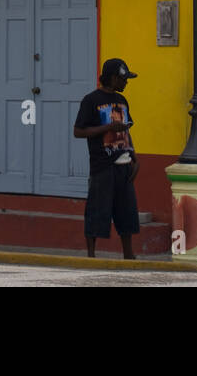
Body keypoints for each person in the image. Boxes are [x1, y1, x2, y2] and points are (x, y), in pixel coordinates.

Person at [74, 58, 140, 259]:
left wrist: (134, 156)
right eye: (123, 78)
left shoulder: (122, 101)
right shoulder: (91, 100)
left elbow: (126, 130)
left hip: (124, 164)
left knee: (127, 212)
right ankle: (91, 255)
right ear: (113, 78)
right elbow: (78, 131)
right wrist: (109, 127)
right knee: (97, 211)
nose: (126, 82)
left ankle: (129, 255)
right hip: (102, 166)